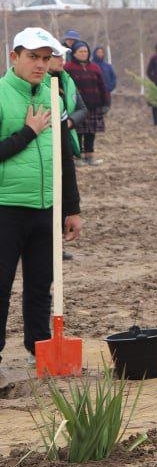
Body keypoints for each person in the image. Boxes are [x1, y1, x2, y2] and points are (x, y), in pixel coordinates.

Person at [0, 28, 82, 365]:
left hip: (46, 208)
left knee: (40, 286)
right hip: (6, 209)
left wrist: (72, 208)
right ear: (14, 57)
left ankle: (40, 348)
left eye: (46, 58)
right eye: (33, 56)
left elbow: (64, 155)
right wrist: (28, 133)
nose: (40, 64)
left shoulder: (54, 95)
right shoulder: (2, 95)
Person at [64, 43, 109, 165]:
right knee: (77, 132)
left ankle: (89, 157)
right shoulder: (68, 68)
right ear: (74, 53)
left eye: (85, 51)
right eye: (80, 51)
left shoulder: (94, 68)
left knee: (90, 132)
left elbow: (102, 86)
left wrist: (106, 102)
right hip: (76, 107)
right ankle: (77, 157)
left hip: (93, 106)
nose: (84, 54)